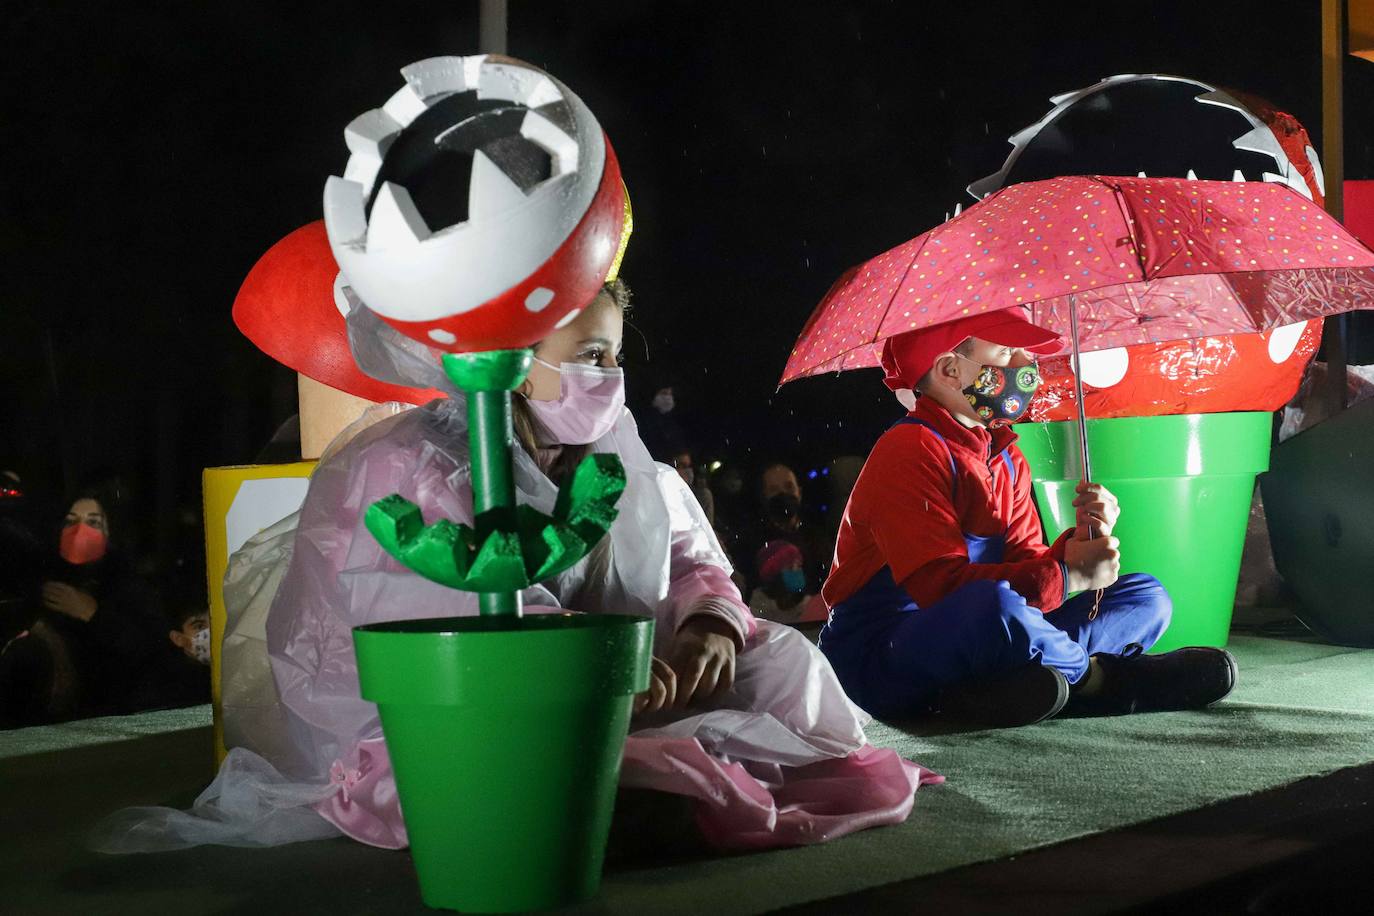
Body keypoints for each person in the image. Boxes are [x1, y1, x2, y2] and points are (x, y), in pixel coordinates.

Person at [100, 281, 932, 854]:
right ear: (506, 357)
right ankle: (617, 798)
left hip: (630, 676)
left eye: (611, 358)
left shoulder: (616, 451)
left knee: (782, 663)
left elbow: (686, 553)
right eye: (589, 356)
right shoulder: (411, 466)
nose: (608, 379)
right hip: (482, 702)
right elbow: (453, 611)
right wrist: (602, 663)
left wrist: (708, 628)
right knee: (507, 770)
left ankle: (631, 795)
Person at [819, 310, 1238, 728]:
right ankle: (1099, 682)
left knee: (1146, 597)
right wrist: (1070, 575)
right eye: (1005, 352)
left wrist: (1079, 543)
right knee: (991, 606)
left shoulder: (1007, 457)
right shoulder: (909, 448)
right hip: (886, 653)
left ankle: (1009, 691)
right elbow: (939, 589)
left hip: (986, 628)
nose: (1026, 366)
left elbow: (1029, 568)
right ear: (949, 369)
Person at [0, 483, 166, 727]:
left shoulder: (130, 585)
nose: (79, 530)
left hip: (107, 722)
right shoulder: (43, 577)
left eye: (94, 522)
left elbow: (148, 651)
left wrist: (93, 614)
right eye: (71, 520)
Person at [748, 539, 826, 626]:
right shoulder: (759, 604)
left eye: (799, 566)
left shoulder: (816, 604)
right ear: (774, 574)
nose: (796, 571)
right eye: (789, 567)